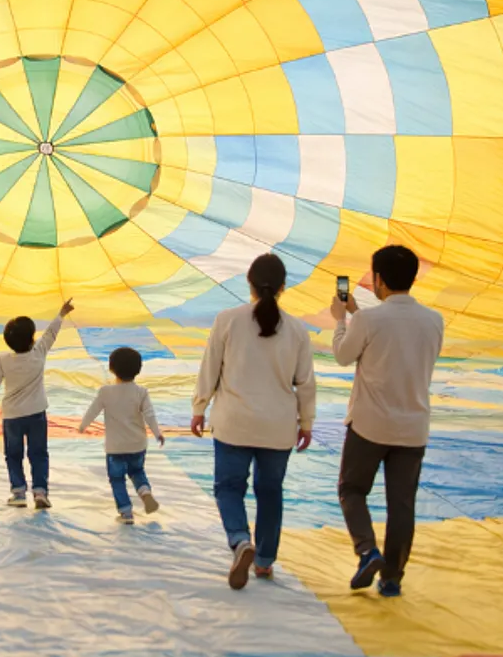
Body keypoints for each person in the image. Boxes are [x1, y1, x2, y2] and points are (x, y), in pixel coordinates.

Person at [191, 253, 315, 589]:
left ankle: (240, 539)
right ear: (283, 287)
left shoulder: (227, 320)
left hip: (234, 423)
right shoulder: (298, 331)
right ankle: (263, 562)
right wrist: (306, 423)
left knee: (229, 488)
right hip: (278, 427)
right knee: (270, 491)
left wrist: (199, 407)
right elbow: (305, 382)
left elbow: (210, 368)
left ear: (249, 283)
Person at [331, 244, 444, 598]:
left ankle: (367, 550)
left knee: (352, 490)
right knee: (402, 504)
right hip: (413, 427)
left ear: (378, 279)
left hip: (370, 424)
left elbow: (343, 355)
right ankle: (392, 577)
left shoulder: (367, 319)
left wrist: (341, 319)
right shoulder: (434, 320)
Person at [0, 298, 74, 509]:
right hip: (37, 414)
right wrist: (61, 314)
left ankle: (19, 493)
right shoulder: (39, 353)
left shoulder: (3, 359)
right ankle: (40, 492)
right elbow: (51, 334)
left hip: (12, 417)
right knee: (38, 454)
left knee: (13, 455)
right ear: (32, 339)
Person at [79, 346, 165, 525]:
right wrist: (157, 433)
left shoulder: (105, 392)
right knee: (137, 471)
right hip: (137, 445)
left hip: (115, 447)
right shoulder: (141, 392)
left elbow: (92, 410)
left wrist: (82, 426)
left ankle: (126, 512)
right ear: (138, 370)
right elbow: (149, 415)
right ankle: (145, 492)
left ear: (111, 368)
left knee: (117, 479)